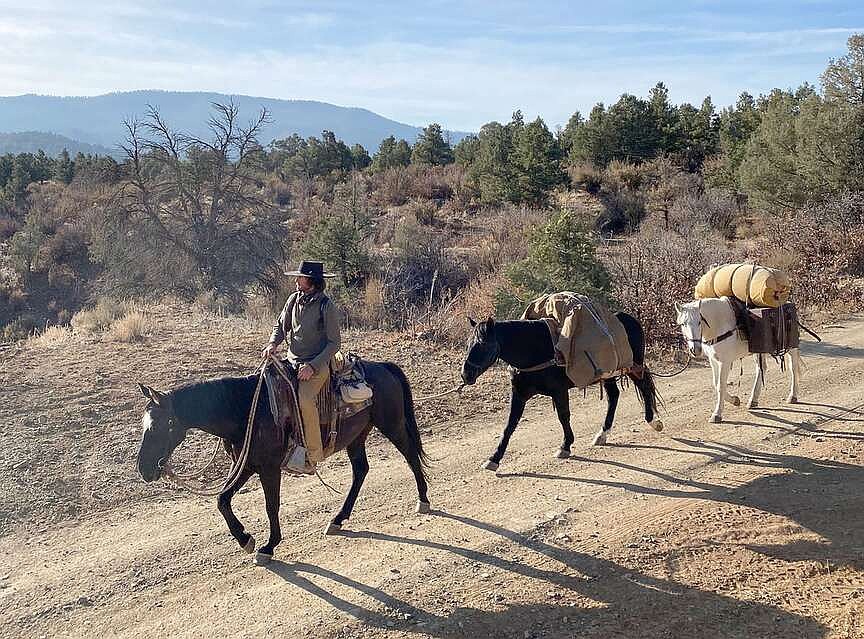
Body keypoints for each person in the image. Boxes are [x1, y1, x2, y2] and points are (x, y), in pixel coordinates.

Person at [262, 260, 340, 474]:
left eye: (300, 277)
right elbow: (281, 325)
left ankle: (313, 456)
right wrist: (272, 343)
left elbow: (334, 343)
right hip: (292, 360)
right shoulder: (293, 299)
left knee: (305, 399)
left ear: (312, 281)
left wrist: (313, 367)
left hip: (316, 364)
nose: (296, 280)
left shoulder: (326, 306)